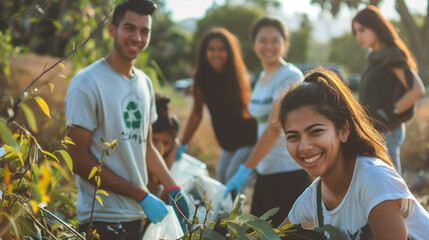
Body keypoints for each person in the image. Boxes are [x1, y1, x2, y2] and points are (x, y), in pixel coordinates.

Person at [65, 1, 189, 239]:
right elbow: (76, 160)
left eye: (145, 31)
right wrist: (139, 193)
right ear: (113, 30)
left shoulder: (145, 83)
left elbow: (146, 146)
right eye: (130, 28)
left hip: (137, 215)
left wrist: (174, 188)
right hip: (101, 219)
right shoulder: (87, 83)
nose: (137, 38)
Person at [278, 68, 429, 239]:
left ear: (343, 130)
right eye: (293, 137)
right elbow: (274, 236)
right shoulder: (314, 198)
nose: (304, 147)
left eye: (316, 131)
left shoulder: (373, 178)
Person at [225, 16, 309, 226]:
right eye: (263, 40)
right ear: (254, 44)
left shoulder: (289, 76)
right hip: (266, 171)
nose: (269, 46)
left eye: (275, 40)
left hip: (288, 170)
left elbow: (273, 127)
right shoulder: (262, 76)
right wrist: (254, 166)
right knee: (258, 232)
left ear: (285, 43)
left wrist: (245, 169)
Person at [352, 5, 425, 174]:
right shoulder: (374, 58)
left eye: (362, 30)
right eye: (356, 32)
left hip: (389, 130)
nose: (358, 36)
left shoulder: (390, 56)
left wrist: (389, 111)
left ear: (375, 27)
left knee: (393, 186)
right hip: (375, 130)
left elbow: (417, 90)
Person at [180, 27, 257, 184]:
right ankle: (228, 209)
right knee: (220, 180)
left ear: (229, 52)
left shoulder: (238, 75)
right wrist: (181, 145)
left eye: (221, 49)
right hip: (227, 144)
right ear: (204, 52)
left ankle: (237, 209)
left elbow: (250, 109)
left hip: (248, 139)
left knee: (230, 178)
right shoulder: (201, 77)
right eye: (212, 49)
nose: (216, 54)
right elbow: (196, 114)